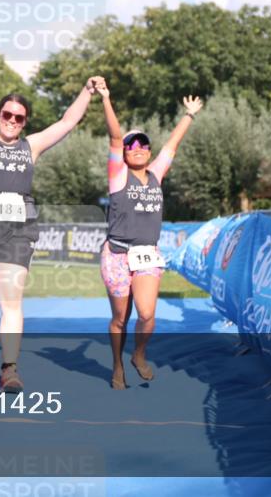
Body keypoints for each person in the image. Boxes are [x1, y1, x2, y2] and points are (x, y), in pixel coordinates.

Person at [0, 35, 102, 393]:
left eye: (19, 117)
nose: (13, 120)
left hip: (19, 227)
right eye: (7, 114)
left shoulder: (32, 146)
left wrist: (86, 91)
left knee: (12, 299)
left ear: (25, 122)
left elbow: (66, 123)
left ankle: (10, 368)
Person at [95, 78, 202, 389]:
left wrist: (189, 115)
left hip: (146, 254)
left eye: (143, 144)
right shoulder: (118, 177)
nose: (137, 148)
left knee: (146, 313)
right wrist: (105, 99)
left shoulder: (155, 175)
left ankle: (138, 354)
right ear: (125, 152)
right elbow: (115, 137)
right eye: (132, 145)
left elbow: (172, 146)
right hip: (116, 255)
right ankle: (117, 366)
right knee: (119, 319)